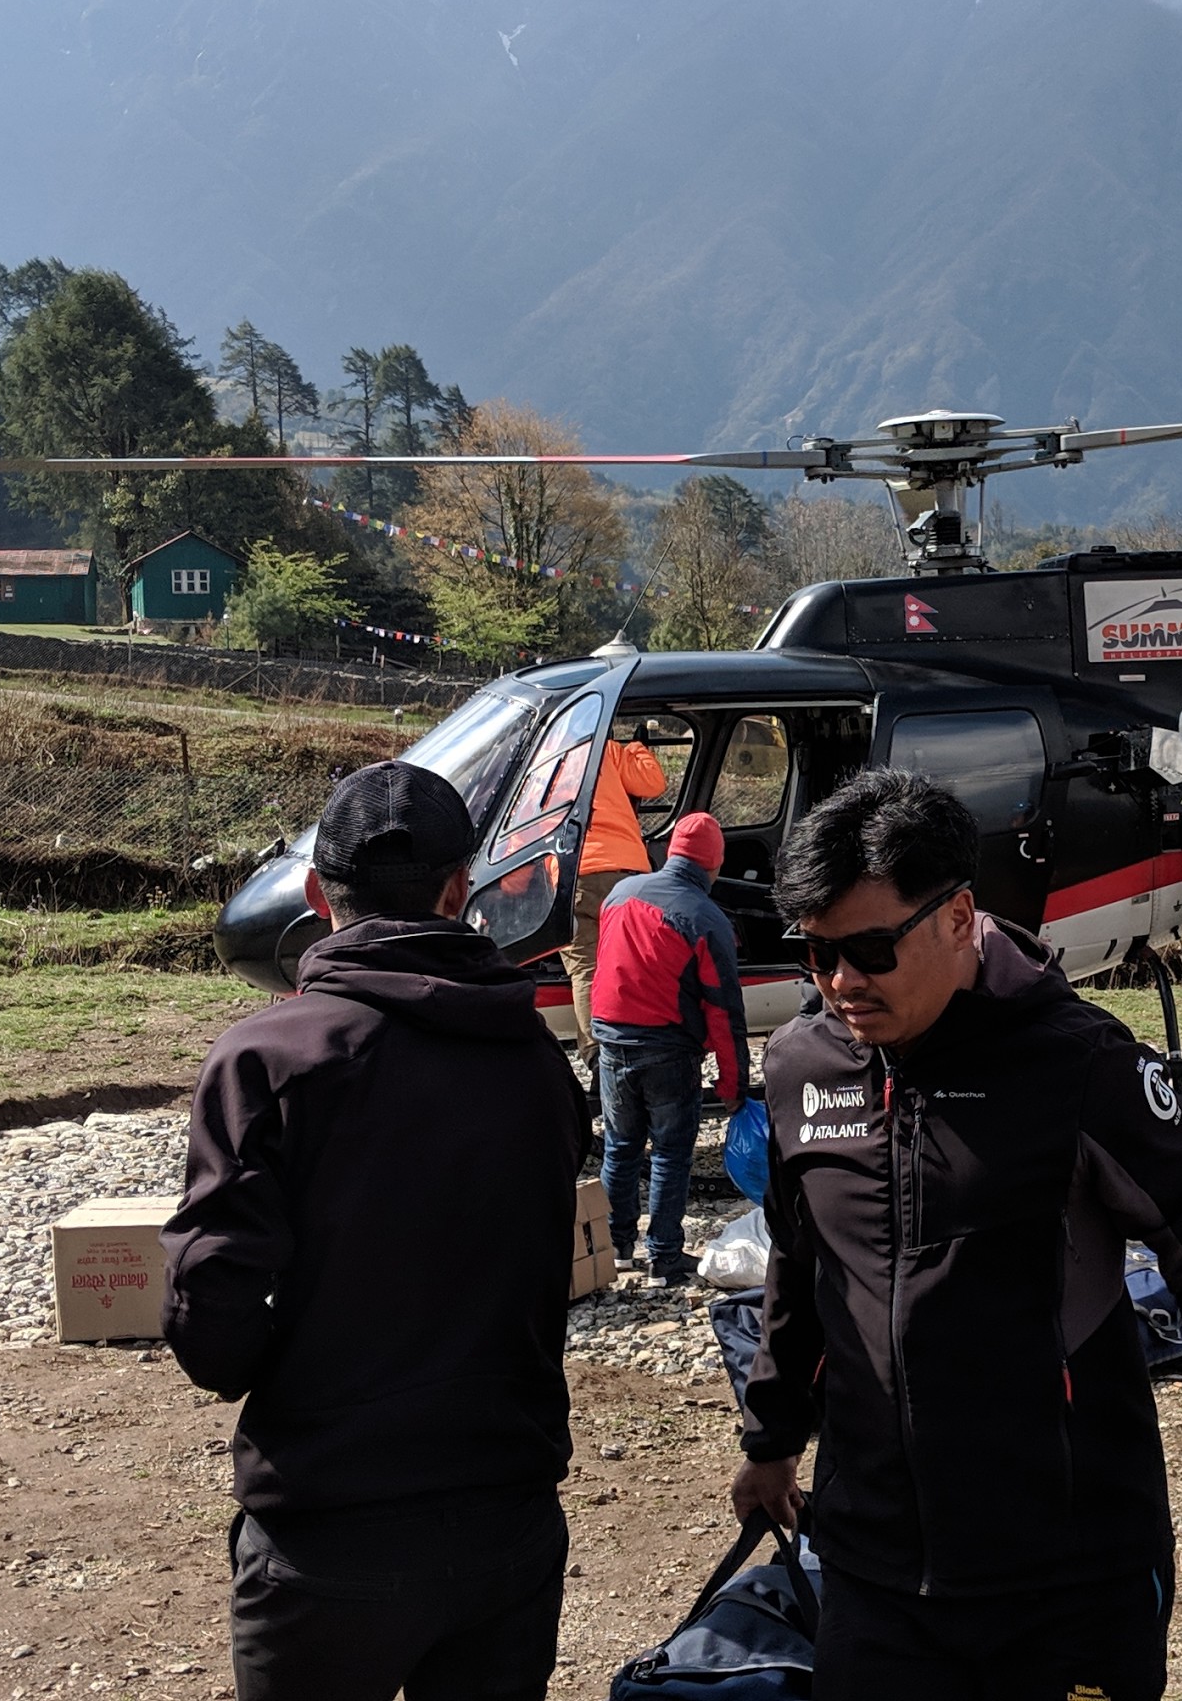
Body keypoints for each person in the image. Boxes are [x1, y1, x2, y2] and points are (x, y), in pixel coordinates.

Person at [730, 768, 1182, 1701]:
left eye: (871, 949)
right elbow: (802, 1266)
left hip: (1066, 1571)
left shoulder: (1080, 1065)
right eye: (816, 953)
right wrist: (770, 1442)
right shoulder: (802, 1066)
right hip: (875, 1565)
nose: (841, 982)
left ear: (958, 917)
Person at [162, 761, 591, 1701]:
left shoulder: (271, 1058)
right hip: (504, 1511)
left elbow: (214, 1323)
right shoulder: (533, 1060)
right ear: (459, 891)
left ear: (318, 895)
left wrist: (298, 1364)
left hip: (330, 1519)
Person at [591, 808, 751, 1284]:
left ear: (670, 851)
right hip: (668, 1049)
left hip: (611, 1041)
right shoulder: (705, 917)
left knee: (619, 1148)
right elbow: (725, 1012)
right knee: (669, 1153)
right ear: (715, 866)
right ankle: (663, 1258)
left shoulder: (620, 894)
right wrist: (733, 1083)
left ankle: (616, 1248)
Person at [559, 725, 669, 1064]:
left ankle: (597, 1057)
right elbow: (653, 782)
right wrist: (636, 746)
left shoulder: (542, 763)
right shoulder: (605, 750)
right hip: (627, 872)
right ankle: (644, 1047)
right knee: (635, 961)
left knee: (585, 970)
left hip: (572, 875)